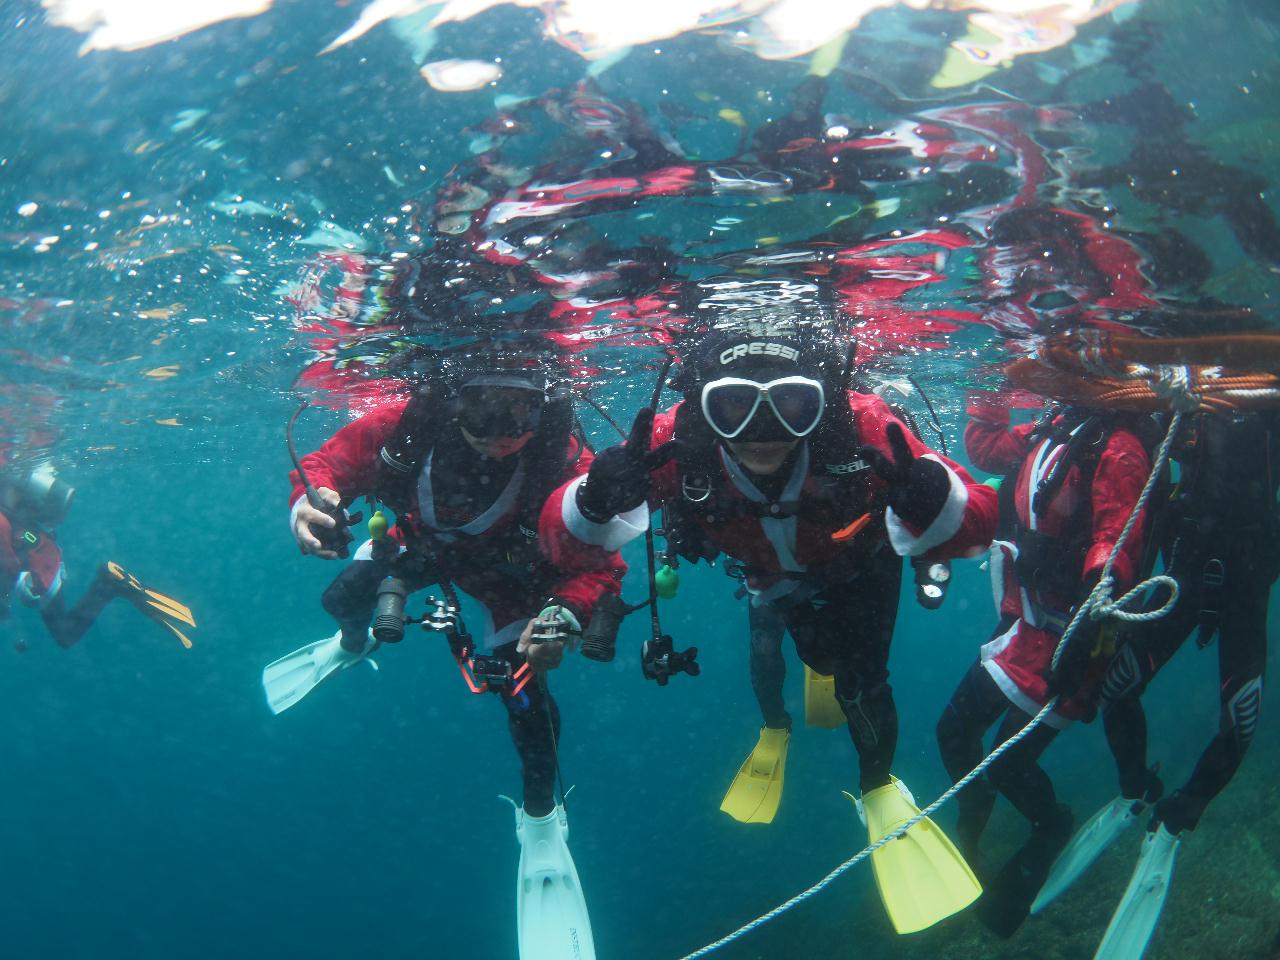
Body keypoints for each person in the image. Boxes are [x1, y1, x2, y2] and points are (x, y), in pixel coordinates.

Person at [551, 320, 997, 934]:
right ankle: (777, 723)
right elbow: (564, 538)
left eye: (792, 405)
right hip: (766, 572)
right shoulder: (674, 439)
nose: (763, 433)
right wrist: (594, 500)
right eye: (732, 406)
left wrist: (931, 499)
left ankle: (877, 784)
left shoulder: (864, 424)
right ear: (706, 409)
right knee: (771, 649)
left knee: (862, 682)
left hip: (858, 567)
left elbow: (976, 518)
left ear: (820, 401)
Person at [261, 358, 625, 960]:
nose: (500, 429)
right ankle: (353, 645)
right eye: (483, 407)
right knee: (339, 600)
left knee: (525, 697)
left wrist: (564, 612)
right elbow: (328, 464)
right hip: (417, 548)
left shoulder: (567, 461)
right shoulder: (405, 427)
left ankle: (540, 821)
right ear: (452, 401)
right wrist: (310, 499)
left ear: (544, 408)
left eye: (519, 411)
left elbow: (605, 563)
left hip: (511, 579)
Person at [1031, 408, 1278, 958]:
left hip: (1244, 587)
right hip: (1184, 578)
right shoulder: (1189, 402)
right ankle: (1137, 787)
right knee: (1115, 689)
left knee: (1240, 721)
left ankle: (1179, 817)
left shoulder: (1265, 402)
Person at [938, 394, 1153, 937]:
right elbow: (989, 450)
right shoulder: (1057, 423)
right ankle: (971, 827)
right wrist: (996, 396)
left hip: (1072, 636)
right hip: (1024, 622)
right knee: (953, 731)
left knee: (1008, 764)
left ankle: (1051, 827)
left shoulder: (1120, 448)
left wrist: (1091, 611)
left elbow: (1116, 535)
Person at [0, 461, 196, 651]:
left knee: (65, 634)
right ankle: (108, 584)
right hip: (37, 550)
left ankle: (108, 585)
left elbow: (10, 565)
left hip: (38, 559)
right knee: (63, 632)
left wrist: (19, 586)